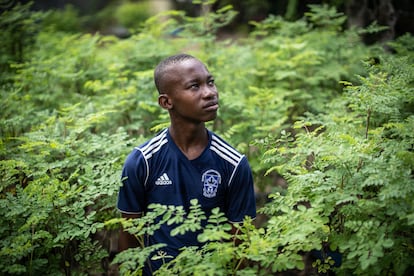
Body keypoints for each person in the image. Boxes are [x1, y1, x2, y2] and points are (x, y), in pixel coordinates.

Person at [117, 53, 256, 275]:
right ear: (166, 102)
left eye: (210, 82)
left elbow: (240, 245)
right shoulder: (143, 161)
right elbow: (129, 236)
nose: (210, 93)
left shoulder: (233, 164)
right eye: (194, 86)